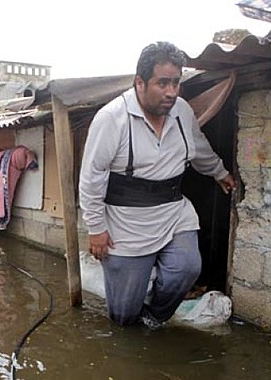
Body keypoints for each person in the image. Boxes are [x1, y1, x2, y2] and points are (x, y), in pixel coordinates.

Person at [79, 41, 236, 329]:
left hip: (173, 211)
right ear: (140, 82)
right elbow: (92, 176)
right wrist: (96, 229)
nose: (172, 92)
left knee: (187, 267)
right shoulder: (112, 119)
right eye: (163, 83)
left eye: (176, 82)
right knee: (124, 316)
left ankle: (155, 317)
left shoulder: (182, 112)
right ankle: (134, 315)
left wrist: (219, 171)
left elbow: (198, 148)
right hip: (125, 221)